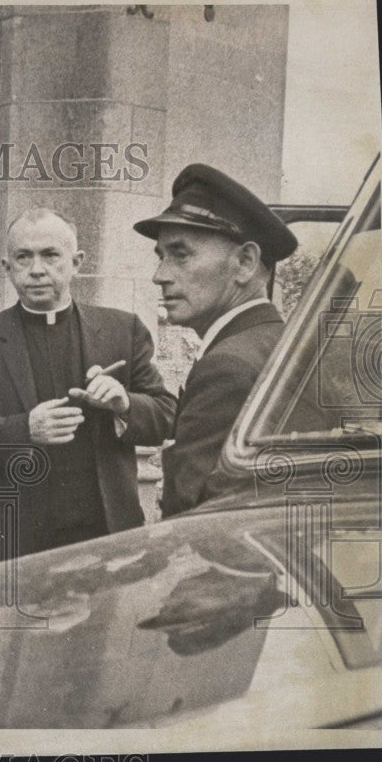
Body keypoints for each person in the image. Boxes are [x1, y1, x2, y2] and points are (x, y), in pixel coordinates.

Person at [0, 209, 176, 568]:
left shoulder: (122, 330)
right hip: (8, 542)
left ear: (76, 262)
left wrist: (125, 405)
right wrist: (24, 429)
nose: (36, 269)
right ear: (6, 267)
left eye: (50, 255)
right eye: (23, 257)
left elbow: (167, 416)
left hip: (107, 538)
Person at [134, 163, 298, 517]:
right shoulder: (277, 341)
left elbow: (195, 519)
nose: (158, 276)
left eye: (180, 255)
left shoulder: (228, 366)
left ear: (244, 263)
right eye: (161, 257)